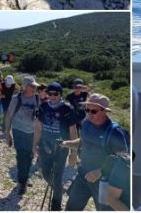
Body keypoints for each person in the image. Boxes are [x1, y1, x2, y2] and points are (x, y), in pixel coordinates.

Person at [64, 95, 130, 210]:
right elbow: (83, 142)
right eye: (87, 110)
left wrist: (100, 171)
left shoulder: (115, 132)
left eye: (93, 111)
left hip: (104, 181)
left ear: (105, 111)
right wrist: (65, 143)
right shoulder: (85, 124)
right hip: (83, 174)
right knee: (71, 207)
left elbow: (124, 160)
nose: (89, 114)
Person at [34, 82, 80, 210]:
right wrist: (34, 145)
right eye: (50, 94)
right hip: (45, 145)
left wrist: (73, 153)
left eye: (56, 94)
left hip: (61, 147)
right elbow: (38, 128)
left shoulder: (67, 108)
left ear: (60, 94)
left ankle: (56, 204)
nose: (52, 96)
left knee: (58, 176)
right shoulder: (43, 107)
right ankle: (58, 190)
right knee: (45, 172)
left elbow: (73, 131)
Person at [5, 76, 40, 194]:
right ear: (25, 87)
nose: (34, 87)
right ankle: (22, 182)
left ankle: (24, 177)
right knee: (21, 156)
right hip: (18, 131)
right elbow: (9, 116)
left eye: (35, 86)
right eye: (32, 85)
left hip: (33, 133)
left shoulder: (38, 99)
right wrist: (7, 134)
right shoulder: (17, 99)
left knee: (29, 155)